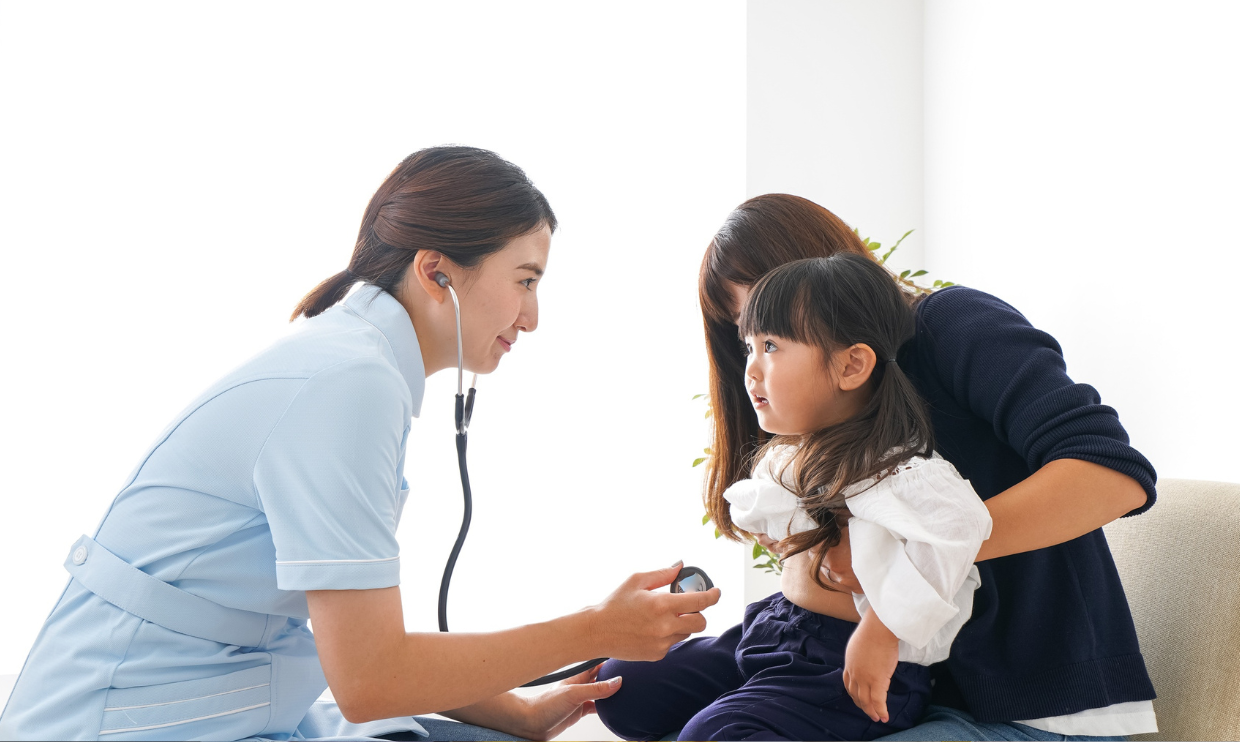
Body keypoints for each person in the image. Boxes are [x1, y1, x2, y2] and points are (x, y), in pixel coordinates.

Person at [0, 146, 720, 742]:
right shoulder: (348, 386)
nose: (533, 317)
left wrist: (518, 713)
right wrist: (596, 630)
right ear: (436, 272)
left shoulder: (355, 367)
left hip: (214, 708)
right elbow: (373, 678)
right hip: (122, 722)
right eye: (525, 281)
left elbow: (353, 643)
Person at [599, 194, 1158, 741]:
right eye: (747, 332)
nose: (757, 362)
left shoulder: (948, 325)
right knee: (625, 687)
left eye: (774, 332)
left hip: (1024, 700)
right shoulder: (821, 402)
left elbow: (1113, 475)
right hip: (862, 653)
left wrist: (906, 554)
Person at [597, 254, 993, 740]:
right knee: (622, 685)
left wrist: (882, 629)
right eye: (749, 347)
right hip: (781, 626)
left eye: (770, 346)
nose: (750, 369)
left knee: (715, 734)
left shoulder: (903, 469)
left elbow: (961, 528)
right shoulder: (796, 450)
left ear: (851, 365)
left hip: (855, 660)